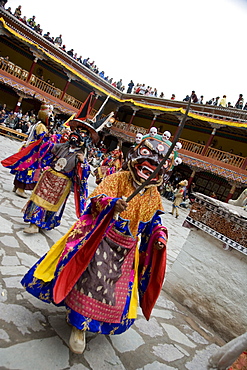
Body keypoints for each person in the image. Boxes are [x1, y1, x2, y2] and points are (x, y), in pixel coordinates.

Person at [21, 132, 170, 354]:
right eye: (146, 157)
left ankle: (98, 321)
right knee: (89, 283)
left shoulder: (154, 196)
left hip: (127, 251)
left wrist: (159, 237)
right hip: (101, 240)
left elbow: (154, 223)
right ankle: (78, 326)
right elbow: (97, 200)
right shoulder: (117, 179)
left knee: (113, 293)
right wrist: (112, 204)